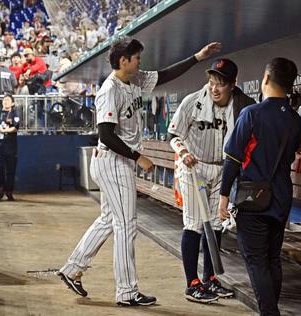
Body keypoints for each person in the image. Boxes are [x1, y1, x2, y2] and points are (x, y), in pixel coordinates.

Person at [57, 36, 221, 306]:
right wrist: (138, 157)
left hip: (116, 161)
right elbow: (106, 135)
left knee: (110, 219)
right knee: (126, 225)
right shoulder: (109, 90)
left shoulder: (133, 79)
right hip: (113, 160)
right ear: (124, 60)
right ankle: (126, 292)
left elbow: (165, 75)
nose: (139, 62)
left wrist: (197, 57)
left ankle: (72, 268)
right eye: (136, 58)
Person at [218, 57, 301, 316]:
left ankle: (269, 313)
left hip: (253, 198)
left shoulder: (251, 113)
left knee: (256, 261)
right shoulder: (295, 120)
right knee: (272, 259)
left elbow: (233, 157)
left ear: (266, 79)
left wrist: (224, 195)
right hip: (281, 196)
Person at [167, 58, 255, 303]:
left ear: (233, 84)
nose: (214, 88)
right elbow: (172, 135)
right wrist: (183, 152)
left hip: (222, 170)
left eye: (221, 83)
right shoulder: (192, 102)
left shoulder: (242, 106)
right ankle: (191, 283)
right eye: (211, 81)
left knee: (216, 224)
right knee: (195, 223)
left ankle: (210, 278)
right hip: (194, 168)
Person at [0, 94, 19, 201]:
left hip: (11, 146)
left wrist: (3, 130)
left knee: (11, 169)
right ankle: (1, 189)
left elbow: (15, 128)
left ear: (12, 103)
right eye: (4, 100)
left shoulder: (15, 113)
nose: (6, 102)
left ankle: (9, 191)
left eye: (8, 100)